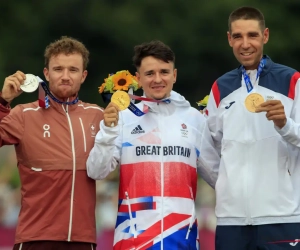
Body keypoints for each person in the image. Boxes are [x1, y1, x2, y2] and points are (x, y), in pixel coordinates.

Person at [86, 40, 220, 249]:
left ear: (174, 75)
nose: (158, 79)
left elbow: (219, 178)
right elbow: (96, 171)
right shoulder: (123, 118)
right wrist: (108, 130)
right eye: (150, 74)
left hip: (181, 240)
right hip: (132, 241)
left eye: (164, 72)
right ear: (138, 78)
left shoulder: (194, 120)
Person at [205, 6, 300, 250]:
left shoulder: (292, 81)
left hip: (281, 216)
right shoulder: (220, 88)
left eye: (252, 35)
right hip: (231, 221)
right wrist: (229, 185)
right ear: (229, 39)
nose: (245, 44)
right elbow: (208, 150)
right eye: (237, 36)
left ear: (265, 36)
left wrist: (284, 125)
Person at [0, 36, 104, 250]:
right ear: (46, 73)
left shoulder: (98, 116)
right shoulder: (24, 114)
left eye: (73, 70)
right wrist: (3, 102)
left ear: (83, 75)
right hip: (35, 238)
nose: (65, 76)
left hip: (82, 240)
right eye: (58, 69)